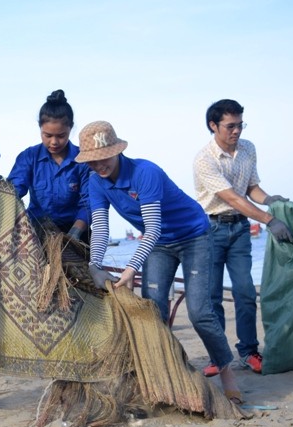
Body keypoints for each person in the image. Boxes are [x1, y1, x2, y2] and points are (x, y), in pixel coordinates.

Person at [79, 121, 242, 404]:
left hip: (193, 236)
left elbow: (152, 228)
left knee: (200, 312)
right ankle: (167, 372)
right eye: (92, 161)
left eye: (103, 157)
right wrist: (95, 264)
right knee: (153, 310)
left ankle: (227, 372)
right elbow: (101, 227)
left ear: (117, 151)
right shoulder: (95, 181)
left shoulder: (146, 173)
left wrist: (131, 270)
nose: (99, 165)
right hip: (160, 245)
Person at [193, 99, 293, 377]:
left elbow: (250, 189)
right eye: (230, 126)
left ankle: (249, 352)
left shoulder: (248, 149)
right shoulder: (205, 159)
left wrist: (269, 199)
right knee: (212, 297)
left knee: (246, 292)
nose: (237, 131)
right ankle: (218, 357)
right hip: (209, 230)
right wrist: (268, 220)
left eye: (240, 125)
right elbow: (232, 198)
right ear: (213, 126)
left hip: (239, 230)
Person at [7, 89, 91, 241]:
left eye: (61, 136)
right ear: (40, 129)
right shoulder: (28, 157)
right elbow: (13, 193)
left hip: (76, 230)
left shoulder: (83, 161)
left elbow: (88, 204)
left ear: (70, 128)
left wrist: (74, 235)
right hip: (37, 231)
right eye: (48, 135)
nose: (54, 142)